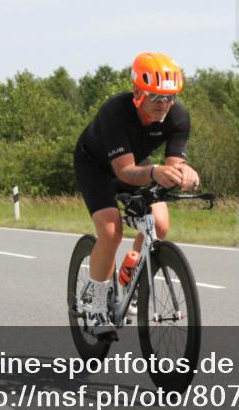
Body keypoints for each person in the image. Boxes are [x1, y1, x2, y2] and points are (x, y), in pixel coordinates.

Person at [74, 52, 200, 335]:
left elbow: (172, 166)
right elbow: (123, 172)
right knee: (110, 231)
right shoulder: (116, 111)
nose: (163, 104)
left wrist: (184, 173)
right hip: (97, 165)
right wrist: (156, 172)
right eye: (155, 97)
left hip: (136, 165)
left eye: (169, 97)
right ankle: (95, 306)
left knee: (160, 224)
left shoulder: (178, 116)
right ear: (137, 92)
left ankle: (129, 274)